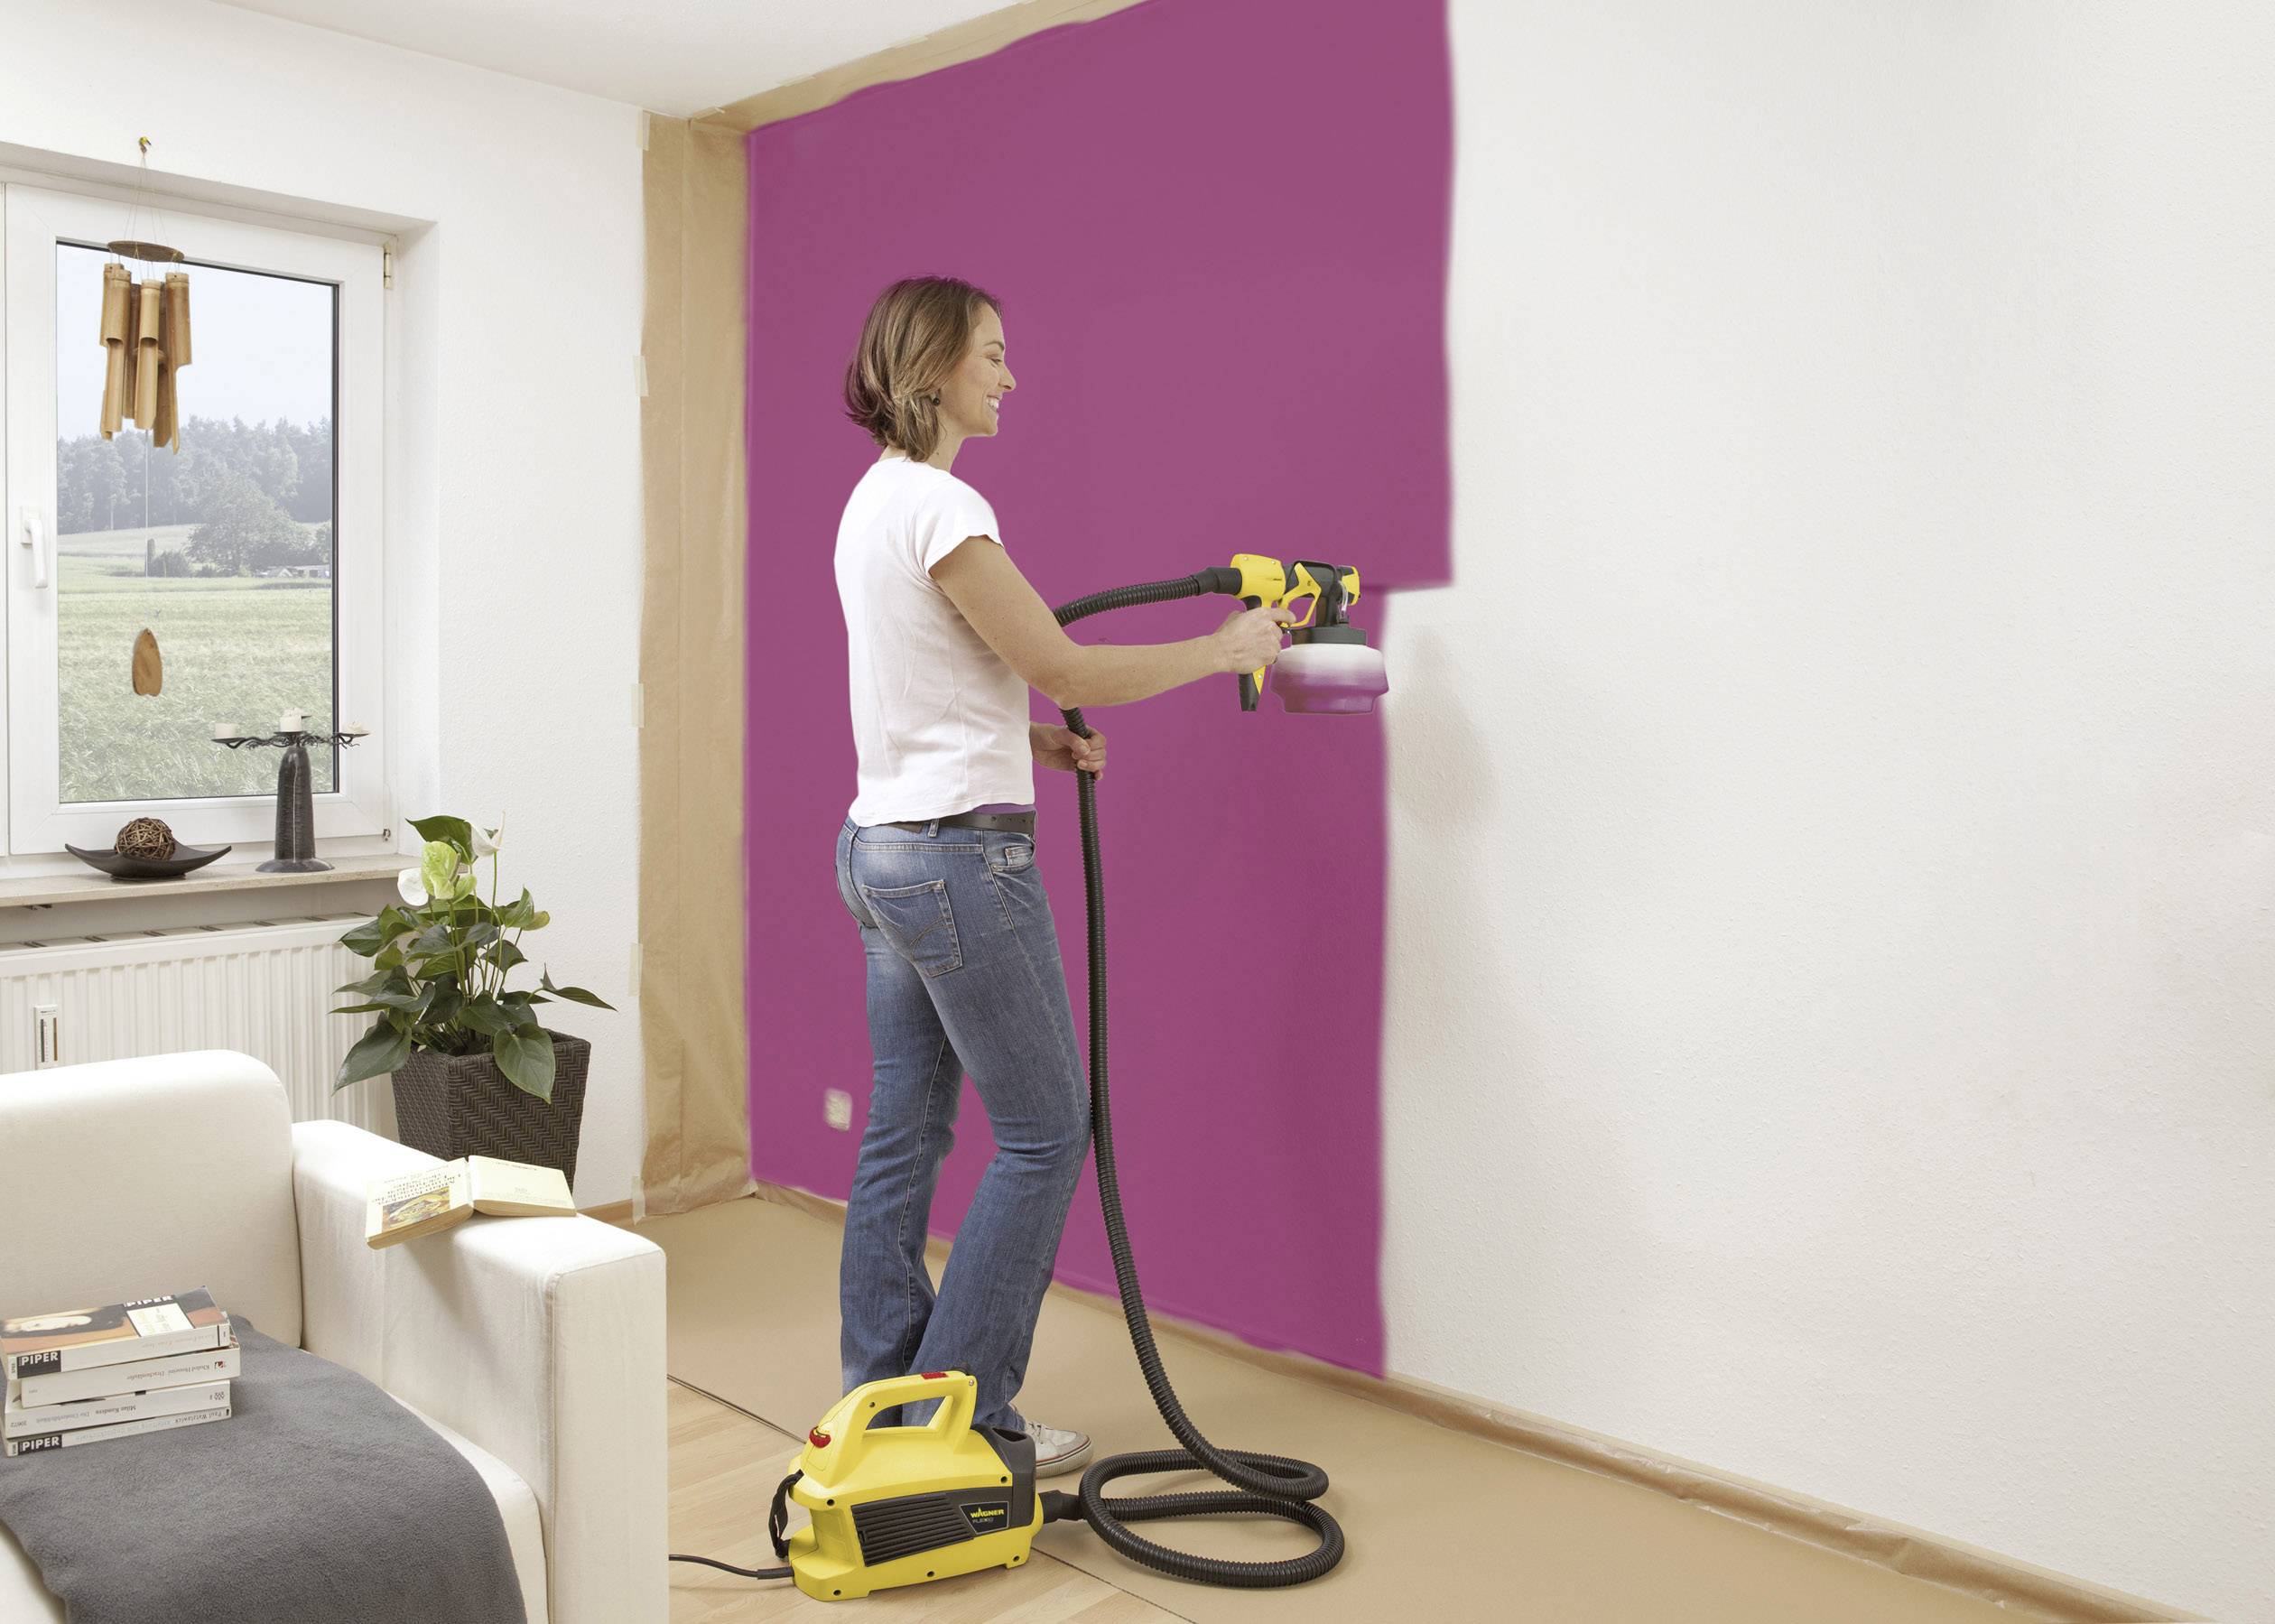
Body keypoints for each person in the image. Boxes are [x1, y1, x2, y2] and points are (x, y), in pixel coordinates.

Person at [830, 276, 1291, 1475]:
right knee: (1044, 1133)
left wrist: (1022, 741)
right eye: (990, 354)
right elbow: (1065, 667)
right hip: (955, 863)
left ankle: (883, 1403)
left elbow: (930, 680)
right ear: (931, 368)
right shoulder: (944, 505)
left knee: (903, 1132)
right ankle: (971, 1425)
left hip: (882, 848)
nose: (1009, 374)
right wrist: (1227, 647)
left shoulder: (873, 504)